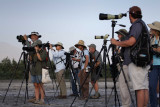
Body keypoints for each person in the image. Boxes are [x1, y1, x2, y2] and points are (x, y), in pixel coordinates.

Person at [111, 6, 149, 107]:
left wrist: (116, 43)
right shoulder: (142, 24)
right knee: (144, 87)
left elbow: (131, 42)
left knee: (140, 88)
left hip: (136, 61)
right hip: (142, 60)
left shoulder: (137, 25)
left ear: (130, 15)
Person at [24, 32, 47, 104]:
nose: (34, 46)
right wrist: (30, 55)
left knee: (40, 85)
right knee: (36, 85)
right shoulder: (33, 52)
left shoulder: (43, 51)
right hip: (33, 70)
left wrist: (37, 51)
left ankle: (42, 100)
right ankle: (37, 99)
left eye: (35, 45)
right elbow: (30, 59)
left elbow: (41, 59)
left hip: (40, 69)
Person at [115, 29, 131, 107]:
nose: (118, 36)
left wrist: (118, 46)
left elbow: (124, 55)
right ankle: (126, 104)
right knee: (124, 85)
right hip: (126, 65)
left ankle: (126, 104)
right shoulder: (127, 41)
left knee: (123, 86)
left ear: (123, 35)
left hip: (126, 65)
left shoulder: (125, 41)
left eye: (119, 34)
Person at [148, 21, 160, 107]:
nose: (150, 29)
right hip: (153, 66)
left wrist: (155, 50)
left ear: (156, 30)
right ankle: (153, 105)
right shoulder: (151, 40)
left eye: (152, 28)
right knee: (152, 86)